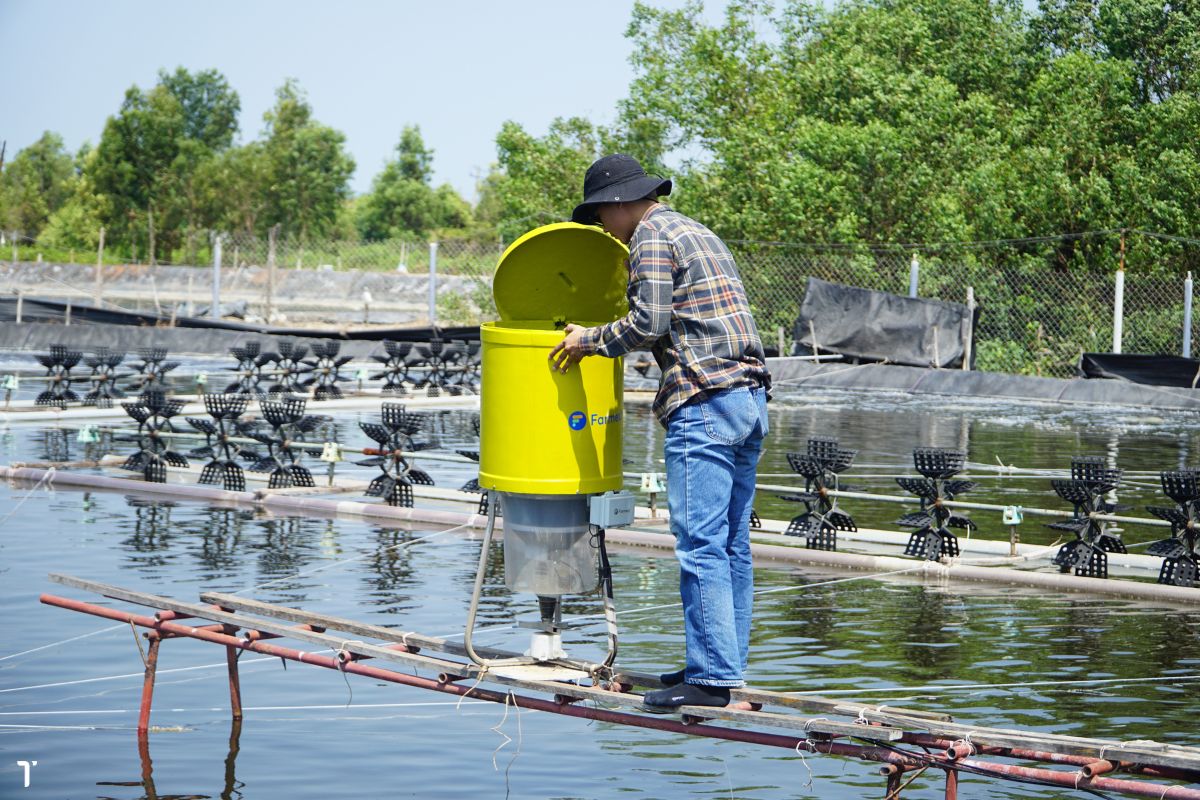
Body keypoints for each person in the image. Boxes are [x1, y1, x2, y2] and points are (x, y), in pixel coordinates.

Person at [549, 154, 771, 711]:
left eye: (600, 215)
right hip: (749, 399)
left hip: (704, 402)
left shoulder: (648, 237)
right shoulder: (694, 230)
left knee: (699, 545)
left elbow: (650, 323)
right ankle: (719, 663)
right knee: (730, 543)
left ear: (620, 203)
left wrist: (588, 340)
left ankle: (713, 678)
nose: (602, 227)